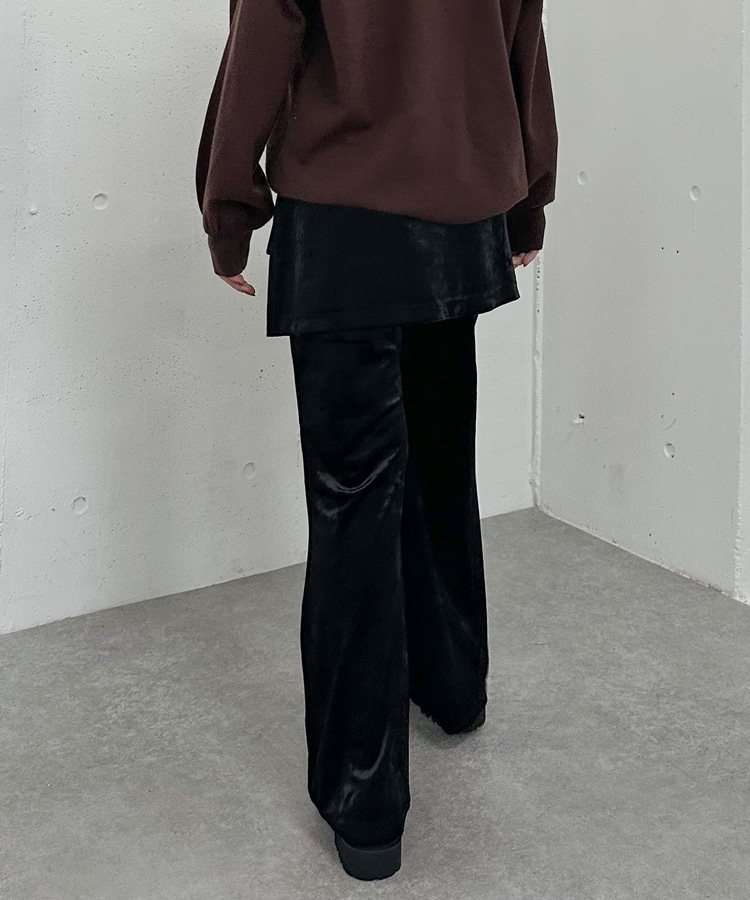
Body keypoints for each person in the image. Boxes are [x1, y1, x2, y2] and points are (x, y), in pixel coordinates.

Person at [195, 0, 557, 881]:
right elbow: (524, 42)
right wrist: (527, 200)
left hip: (345, 222)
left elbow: (262, 41)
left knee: (354, 500)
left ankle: (367, 810)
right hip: (463, 209)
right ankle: (455, 688)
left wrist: (229, 207)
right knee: (440, 462)